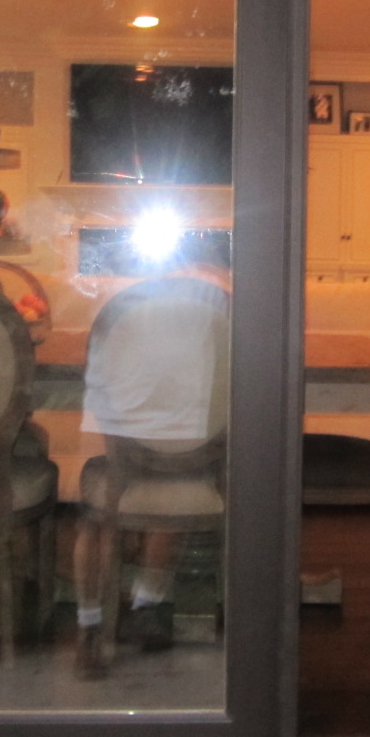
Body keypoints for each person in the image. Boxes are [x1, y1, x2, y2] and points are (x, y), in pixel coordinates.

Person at [71, 273, 230, 678]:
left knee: (98, 492)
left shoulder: (119, 312)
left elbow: (99, 395)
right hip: (195, 461)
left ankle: (90, 626)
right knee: (176, 475)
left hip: (127, 465)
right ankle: (147, 603)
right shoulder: (220, 309)